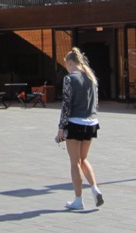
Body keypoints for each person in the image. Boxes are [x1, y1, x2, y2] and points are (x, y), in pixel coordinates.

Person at [55, 47, 104, 210]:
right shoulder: (92, 78)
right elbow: (96, 104)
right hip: (91, 123)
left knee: (74, 162)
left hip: (75, 123)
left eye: (66, 65)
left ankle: (78, 200)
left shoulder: (69, 79)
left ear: (70, 63)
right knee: (84, 159)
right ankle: (95, 188)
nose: (67, 69)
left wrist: (61, 128)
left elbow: (66, 105)